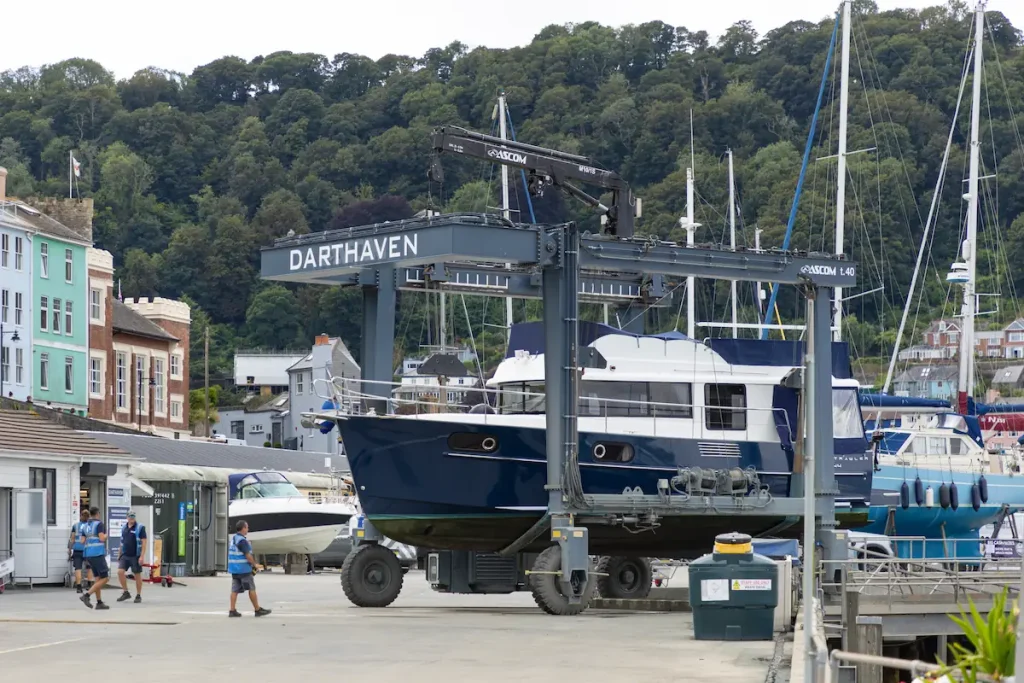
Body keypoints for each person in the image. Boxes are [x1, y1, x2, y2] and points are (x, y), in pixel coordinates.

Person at [228, 520, 271, 618]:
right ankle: (257, 609)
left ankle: (232, 610)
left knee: (234, 590)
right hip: (243, 569)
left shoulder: (234, 539)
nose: (248, 529)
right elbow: (247, 555)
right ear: (243, 528)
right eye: (247, 527)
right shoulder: (242, 541)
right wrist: (255, 565)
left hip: (235, 569)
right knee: (251, 588)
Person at [79, 507, 110, 610]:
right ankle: (86, 595)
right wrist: (106, 535)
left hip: (88, 554)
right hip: (97, 553)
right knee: (105, 578)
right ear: (97, 514)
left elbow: (82, 541)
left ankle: (99, 602)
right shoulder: (99, 524)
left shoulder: (85, 525)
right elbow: (102, 538)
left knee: (98, 578)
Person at [116, 511, 147, 603]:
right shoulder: (124, 528)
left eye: (133, 516)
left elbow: (144, 543)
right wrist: (119, 554)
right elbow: (122, 542)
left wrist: (142, 556)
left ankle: (138, 595)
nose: (132, 518)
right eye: (130, 517)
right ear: (127, 517)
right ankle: (126, 592)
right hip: (125, 555)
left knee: (137, 575)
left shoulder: (140, 527)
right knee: (120, 572)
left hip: (135, 555)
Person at [68, 509, 94, 594]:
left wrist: (69, 550)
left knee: (78, 568)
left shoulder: (75, 526)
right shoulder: (91, 526)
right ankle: (89, 585)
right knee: (89, 568)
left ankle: (79, 587)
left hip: (77, 549)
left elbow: (72, 539)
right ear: (89, 517)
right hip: (88, 550)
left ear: (81, 516)